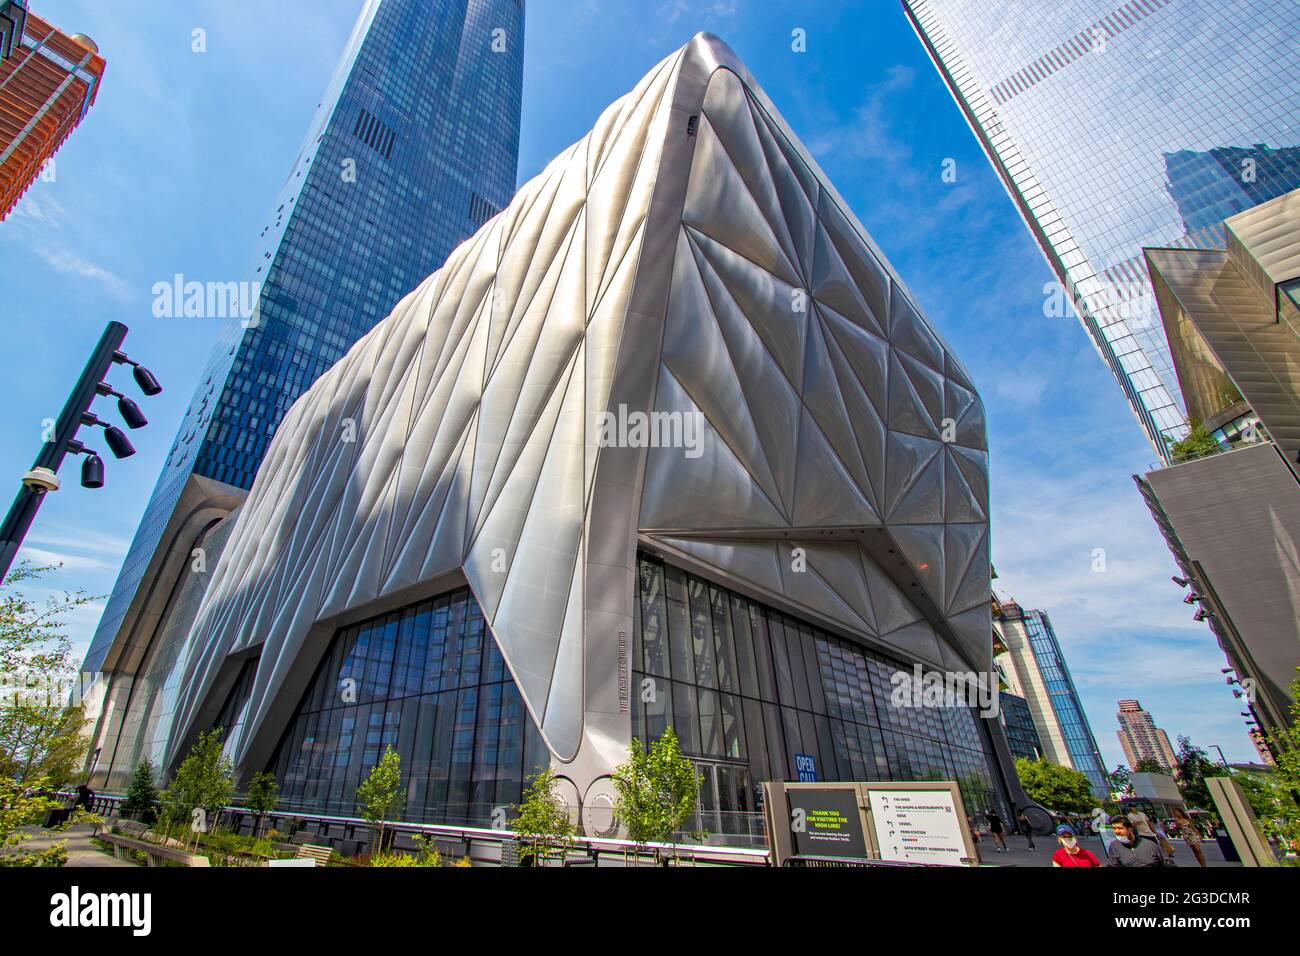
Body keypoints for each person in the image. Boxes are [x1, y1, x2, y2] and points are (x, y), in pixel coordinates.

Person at [1107, 814, 1171, 867]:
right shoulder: (1114, 847)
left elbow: (1167, 863)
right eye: (1114, 828)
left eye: (1120, 828)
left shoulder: (1150, 845)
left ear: (1130, 829)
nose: (1117, 831)